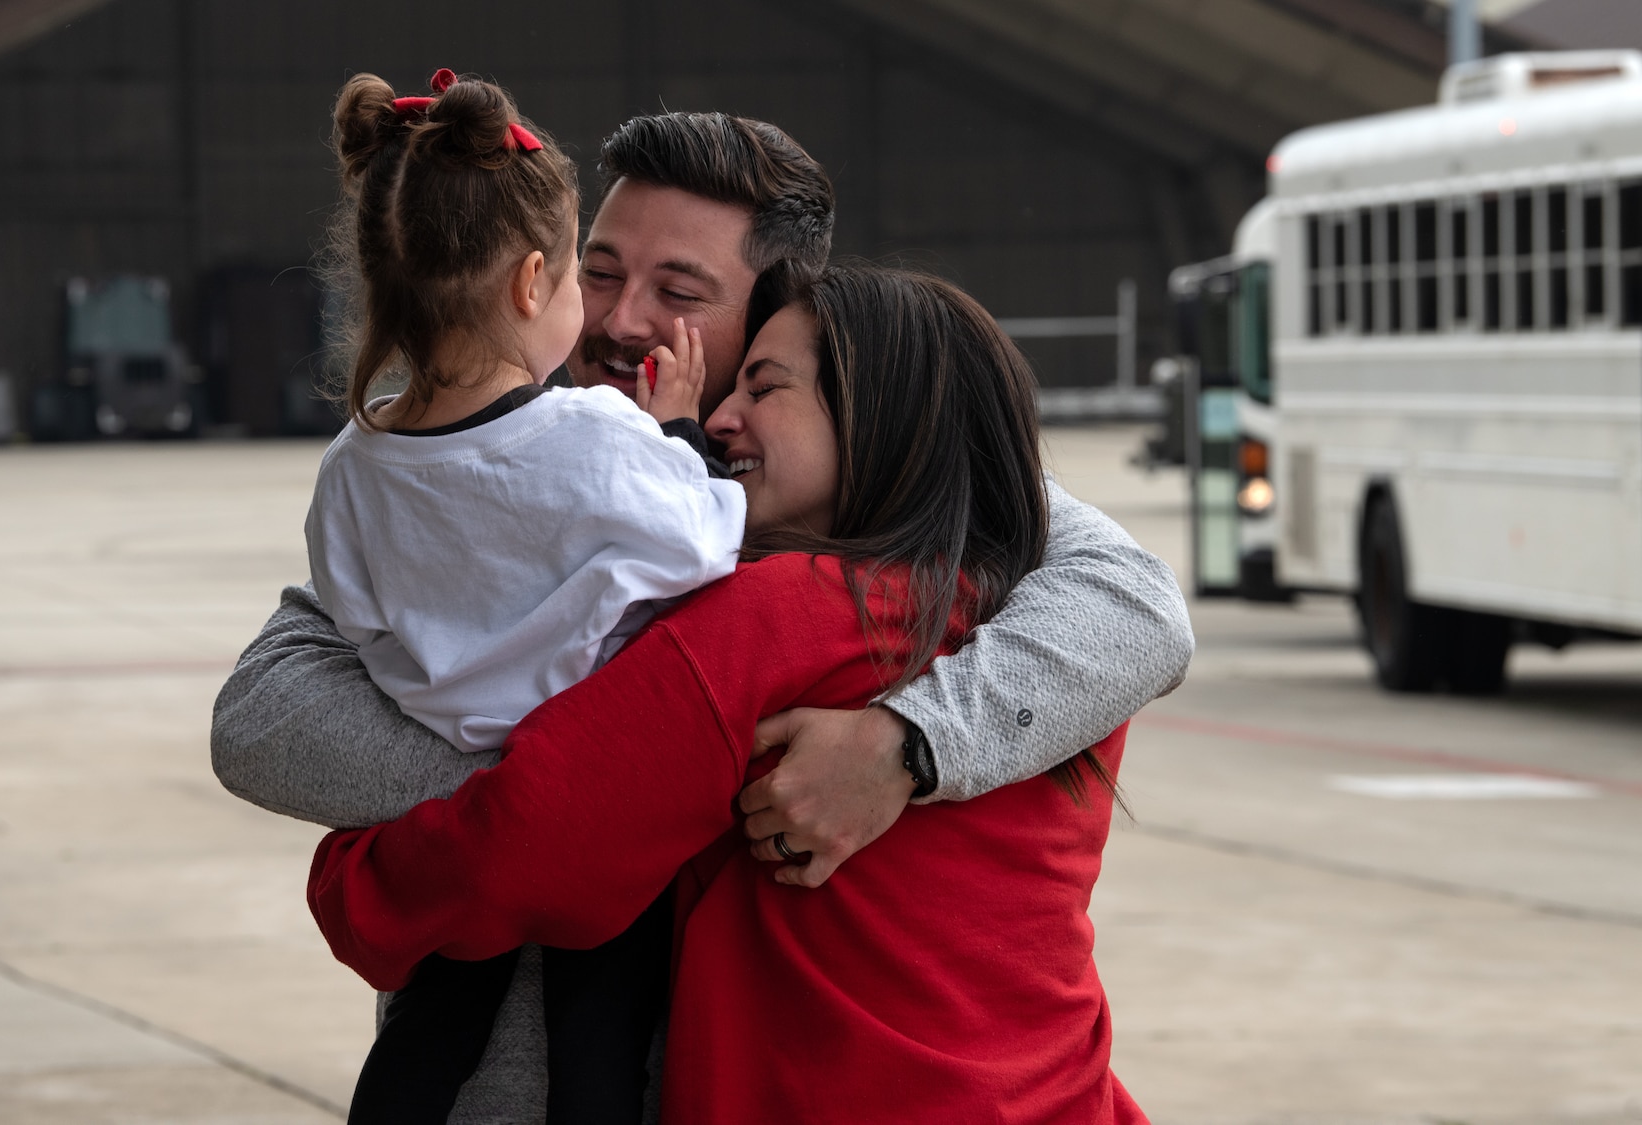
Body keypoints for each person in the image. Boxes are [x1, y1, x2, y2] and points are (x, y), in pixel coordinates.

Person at [214, 107, 1192, 1120]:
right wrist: (612, 771)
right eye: (595, 271)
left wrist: (905, 745)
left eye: (678, 293)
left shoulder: (866, 485)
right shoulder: (461, 459)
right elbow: (263, 714)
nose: (619, 319)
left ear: (778, 313)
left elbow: (1133, 608)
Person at [308, 71, 745, 1124]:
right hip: (587, 806)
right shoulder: (595, 440)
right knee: (596, 1041)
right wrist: (676, 436)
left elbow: (351, 616)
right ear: (531, 281)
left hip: (462, 816)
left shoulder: (352, 464)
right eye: (581, 281)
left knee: (430, 1030)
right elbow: (708, 548)